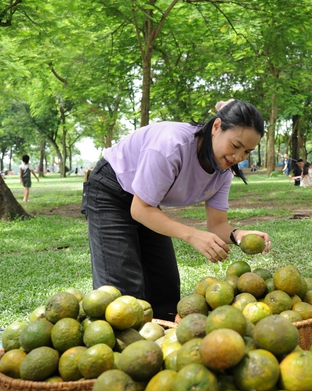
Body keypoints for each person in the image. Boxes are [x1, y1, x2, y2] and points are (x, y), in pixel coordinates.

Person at [82, 99, 271, 321]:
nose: (239, 157)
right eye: (235, 146)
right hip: (110, 191)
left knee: (165, 291)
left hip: (146, 202)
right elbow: (140, 210)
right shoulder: (171, 146)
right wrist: (192, 235)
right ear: (217, 127)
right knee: (123, 298)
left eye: (247, 152)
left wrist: (238, 235)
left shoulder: (222, 171)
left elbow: (218, 225)